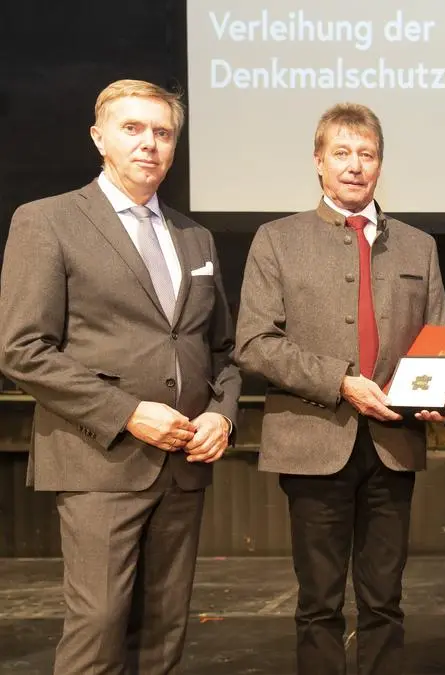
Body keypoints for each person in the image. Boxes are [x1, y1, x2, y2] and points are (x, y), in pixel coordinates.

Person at [0, 79, 241, 673]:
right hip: (99, 461)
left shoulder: (195, 236)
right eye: (132, 129)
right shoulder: (47, 220)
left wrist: (223, 414)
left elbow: (227, 349)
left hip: (183, 465)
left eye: (162, 133)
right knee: (99, 628)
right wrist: (127, 412)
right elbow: (23, 348)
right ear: (98, 136)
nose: (149, 144)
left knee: (163, 632)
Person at [233, 102, 445, 675]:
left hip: (395, 442)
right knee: (319, 604)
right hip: (314, 442)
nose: (355, 166)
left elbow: (439, 342)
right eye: (342, 153)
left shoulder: (419, 245)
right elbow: (254, 342)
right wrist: (340, 382)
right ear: (318, 162)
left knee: (386, 601)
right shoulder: (276, 239)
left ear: (381, 164)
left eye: (366, 154)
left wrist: (443, 394)